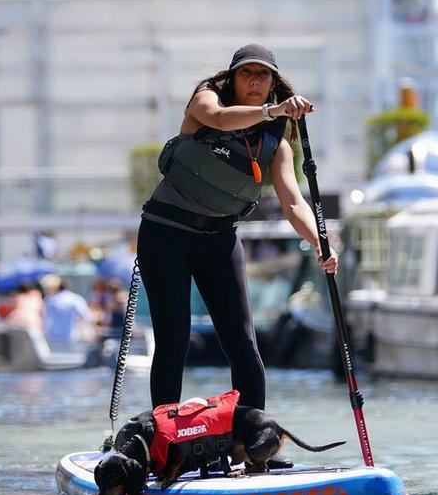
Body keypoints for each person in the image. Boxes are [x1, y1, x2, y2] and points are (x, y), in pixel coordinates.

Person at [136, 44, 337, 458]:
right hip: (165, 233)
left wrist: (319, 242)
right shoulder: (207, 98)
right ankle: (164, 444)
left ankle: (251, 445)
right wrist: (275, 111)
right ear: (232, 78)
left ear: (273, 84)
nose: (255, 82)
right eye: (247, 74)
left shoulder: (276, 143)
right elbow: (219, 119)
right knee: (174, 341)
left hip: (219, 240)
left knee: (244, 345)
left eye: (263, 76)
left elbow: (294, 203)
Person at [43, 278, 93, 342]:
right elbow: (87, 316)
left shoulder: (49, 300)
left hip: (53, 336)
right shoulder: (75, 299)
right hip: (71, 337)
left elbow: (45, 318)